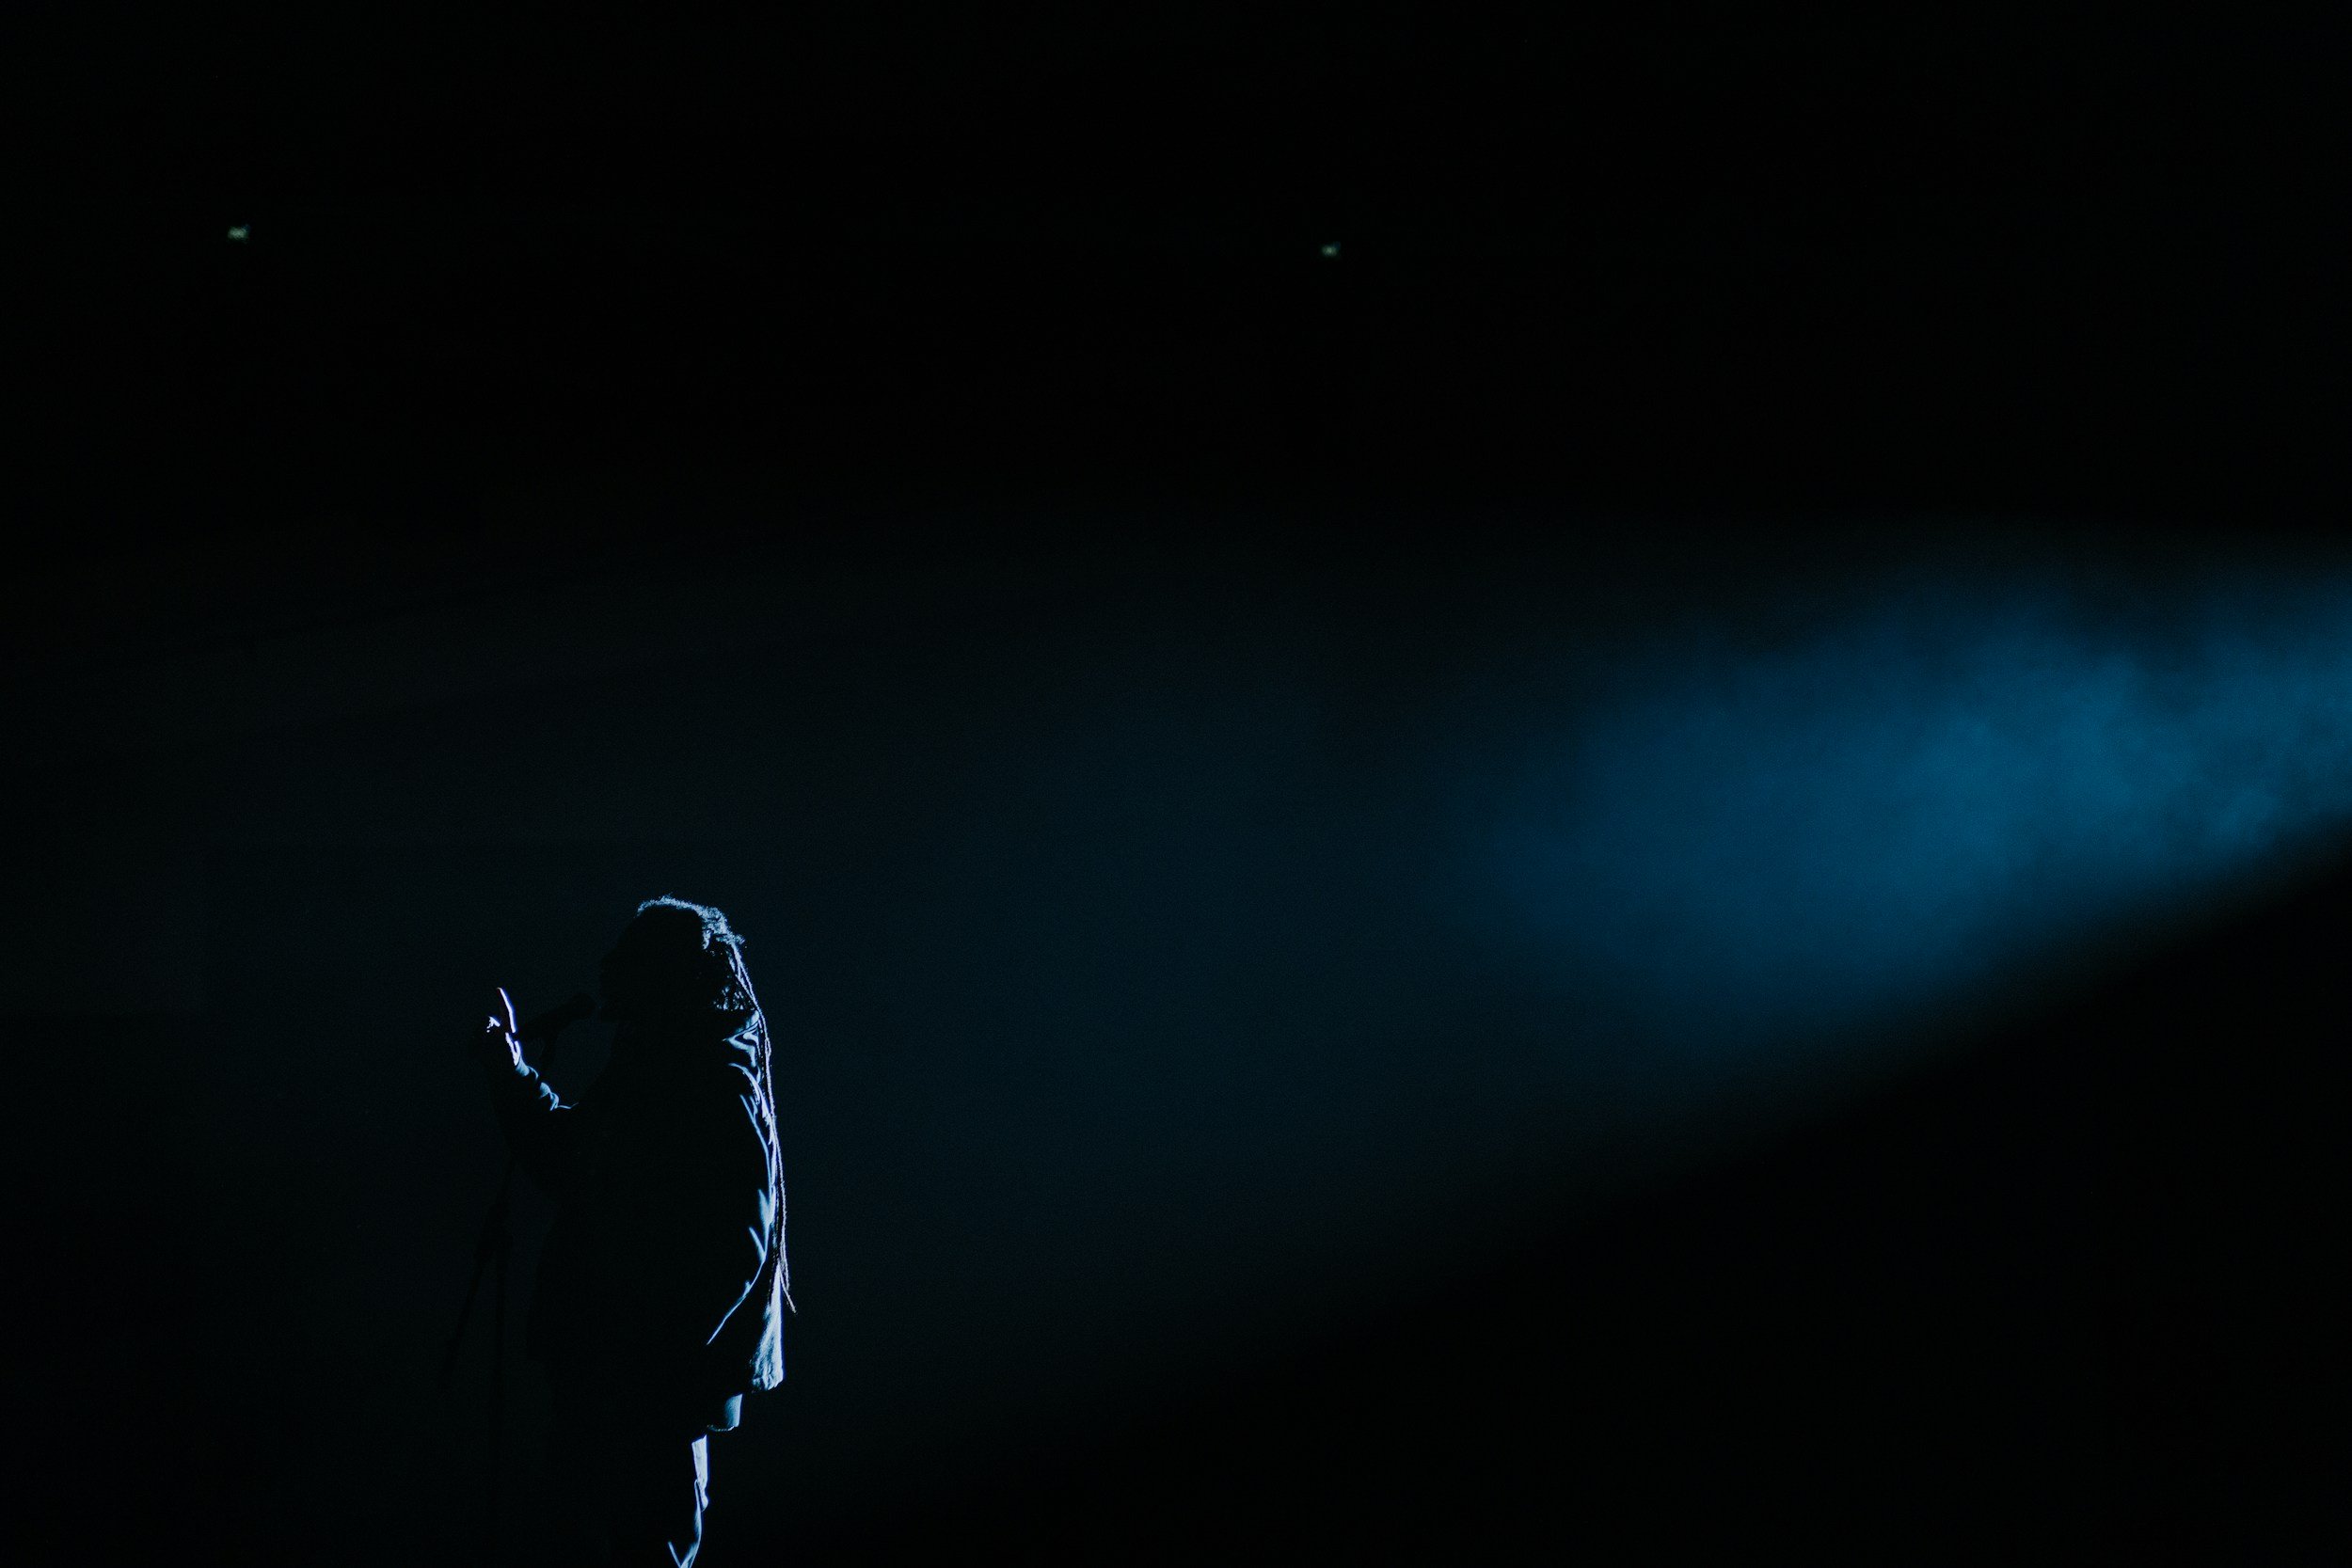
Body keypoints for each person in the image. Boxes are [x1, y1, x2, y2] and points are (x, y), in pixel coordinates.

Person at [472, 896, 790, 1566]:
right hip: (611, 1377)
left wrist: (653, 1355)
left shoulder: (708, 1079)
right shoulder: (650, 1070)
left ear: (664, 971)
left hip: (647, 1393)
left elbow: (741, 1239)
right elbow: (572, 1159)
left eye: (628, 955)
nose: (608, 966)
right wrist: (512, 1075)